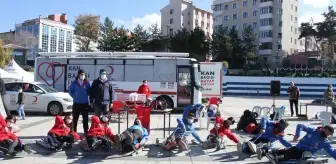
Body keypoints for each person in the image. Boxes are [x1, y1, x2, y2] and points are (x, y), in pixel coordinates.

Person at [256, 124, 336, 162]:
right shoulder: (313, 130)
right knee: (287, 149)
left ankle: (277, 158)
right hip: (297, 148)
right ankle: (266, 151)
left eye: (328, 133)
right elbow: (300, 125)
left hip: (305, 153)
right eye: (325, 130)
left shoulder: (325, 142)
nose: (326, 133)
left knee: (291, 152)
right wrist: (297, 135)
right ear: (323, 128)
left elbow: (332, 152)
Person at [69, 69, 91, 135]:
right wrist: (75, 96)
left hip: (85, 103)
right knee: (75, 119)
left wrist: (87, 94)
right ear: (78, 75)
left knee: (85, 119)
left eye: (84, 74)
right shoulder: (74, 83)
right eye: (81, 74)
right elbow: (70, 91)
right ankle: (74, 132)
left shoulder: (87, 83)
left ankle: (86, 131)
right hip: (76, 103)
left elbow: (89, 91)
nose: (83, 76)